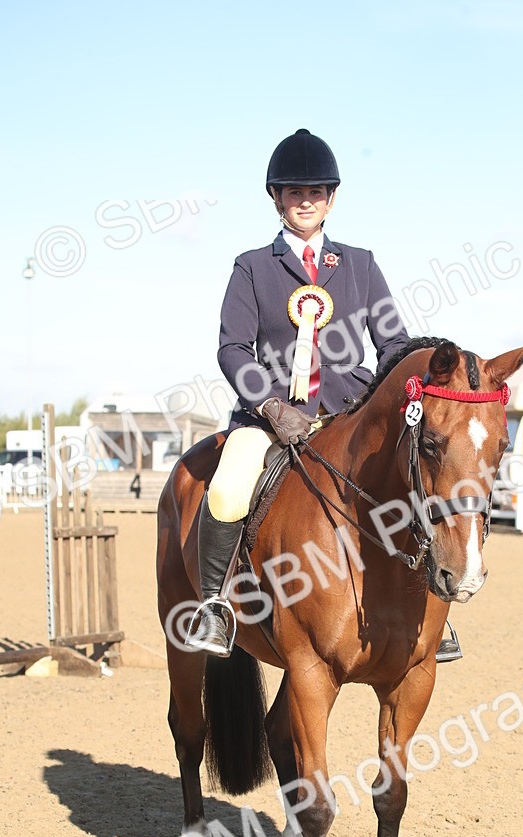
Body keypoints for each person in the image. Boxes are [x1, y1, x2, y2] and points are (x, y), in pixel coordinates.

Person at [186, 128, 410, 655]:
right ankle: (215, 607)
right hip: (270, 415)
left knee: (411, 474)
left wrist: (394, 397)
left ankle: (424, 606)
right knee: (228, 488)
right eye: (294, 193)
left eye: (315, 192)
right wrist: (269, 405)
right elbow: (233, 348)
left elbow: (394, 343)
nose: (305, 201)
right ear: (277, 199)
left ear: (331, 199)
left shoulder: (360, 264)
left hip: (349, 410)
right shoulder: (253, 266)